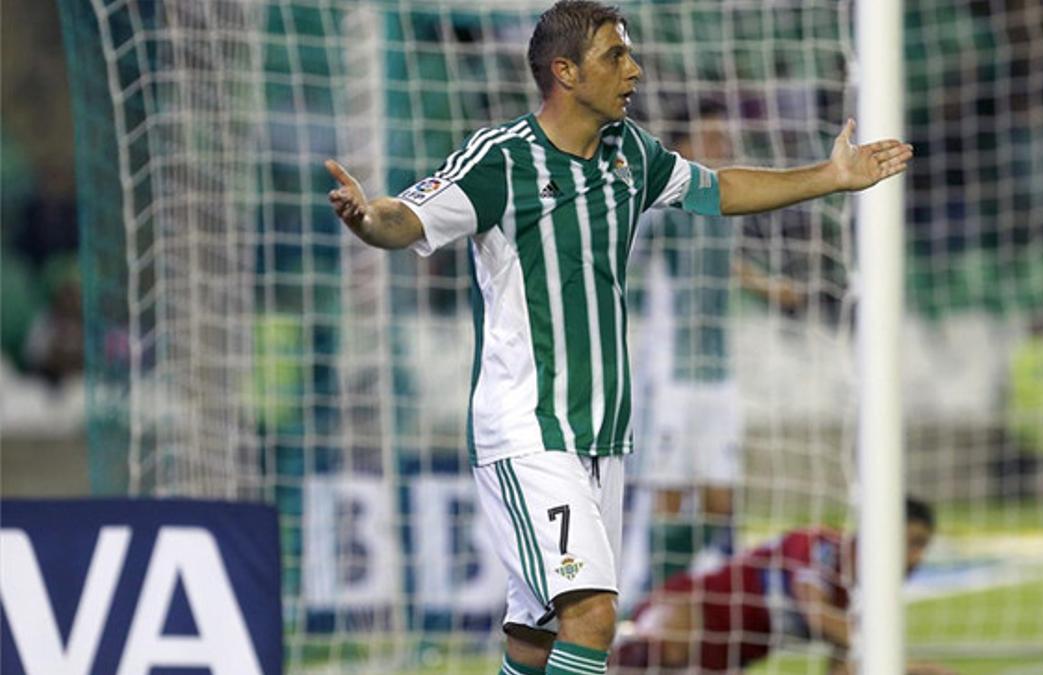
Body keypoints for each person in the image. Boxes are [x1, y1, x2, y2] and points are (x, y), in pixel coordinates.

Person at [326, 2, 913, 673]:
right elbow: (407, 218)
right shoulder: (502, 160)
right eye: (615, 55)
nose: (633, 68)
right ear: (566, 71)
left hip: (604, 433)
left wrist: (831, 175)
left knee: (535, 632)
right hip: (529, 429)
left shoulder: (630, 154)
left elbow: (718, 190)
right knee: (594, 612)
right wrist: (368, 217)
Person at [630, 99, 804, 588]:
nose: (720, 147)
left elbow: (724, 263)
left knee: (721, 494)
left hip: (718, 373)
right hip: (669, 374)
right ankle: (653, 592)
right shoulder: (662, 208)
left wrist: (769, 288)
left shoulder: (724, 208)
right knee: (669, 490)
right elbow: (626, 253)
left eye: (724, 139)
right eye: (709, 138)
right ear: (683, 148)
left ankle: (708, 588)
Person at [610, 498, 955, 675]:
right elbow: (817, 614)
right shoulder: (821, 546)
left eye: (924, 546)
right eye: (912, 542)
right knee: (654, 655)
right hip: (690, 611)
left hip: (726, 659)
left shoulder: (860, 600)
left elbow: (843, 670)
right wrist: (895, 659)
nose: (917, 556)